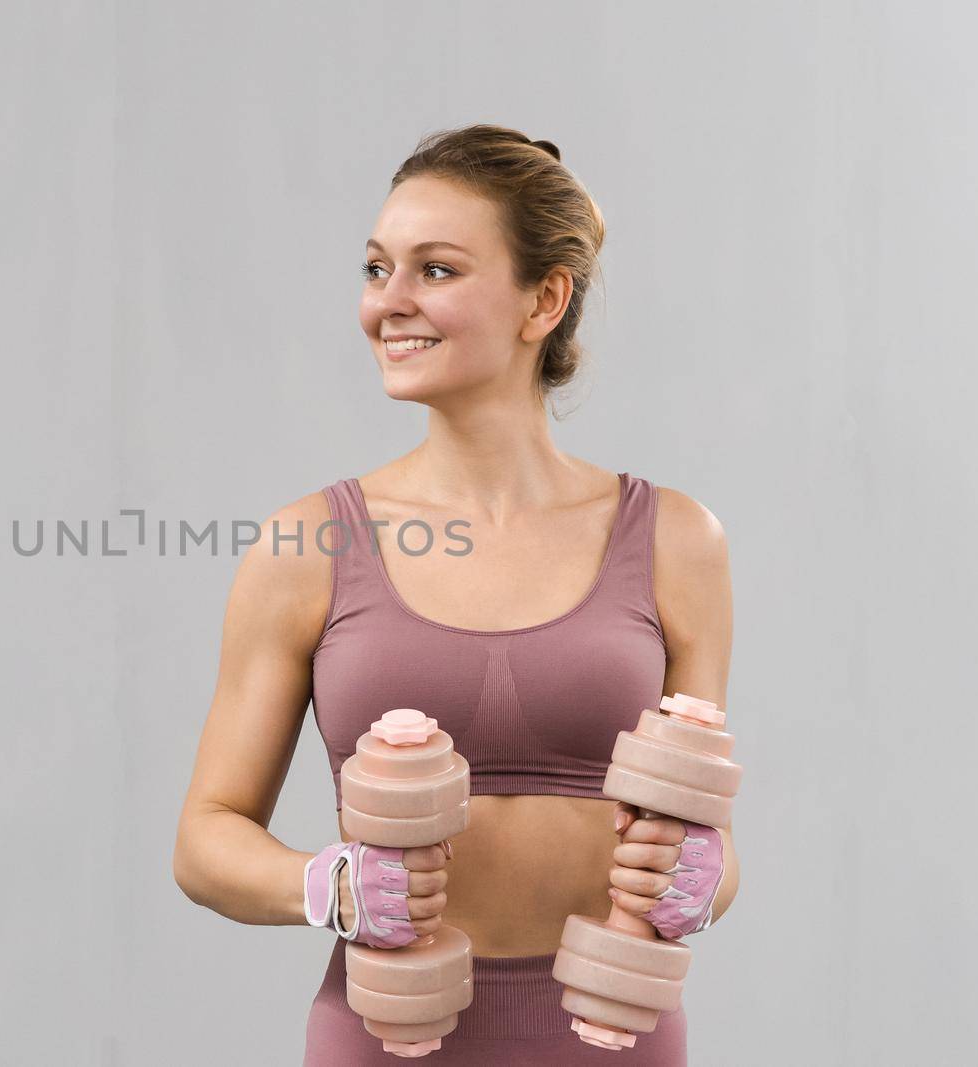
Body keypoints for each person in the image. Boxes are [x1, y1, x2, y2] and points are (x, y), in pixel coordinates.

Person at [172, 124, 738, 1064]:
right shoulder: (309, 542)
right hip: (386, 1037)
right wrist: (329, 884)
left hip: (615, 1036)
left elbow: (700, 843)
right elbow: (205, 837)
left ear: (543, 300)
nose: (384, 304)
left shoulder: (677, 539)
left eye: (434, 270)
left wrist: (704, 879)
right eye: (375, 268)